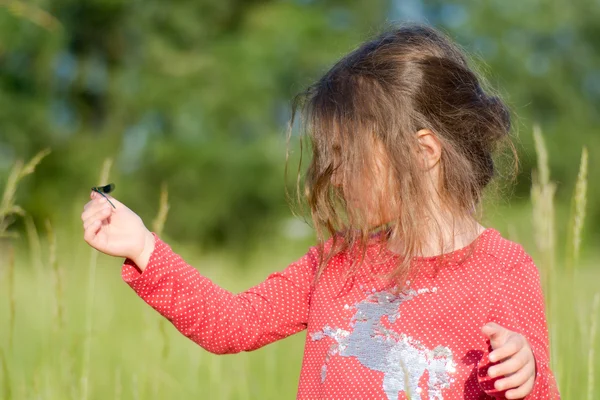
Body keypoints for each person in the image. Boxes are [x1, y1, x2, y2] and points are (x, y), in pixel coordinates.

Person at [81, 24, 560, 399]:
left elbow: (538, 386)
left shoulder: (503, 272)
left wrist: (528, 372)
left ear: (423, 152)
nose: (335, 177)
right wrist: (143, 246)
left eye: (348, 157)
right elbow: (233, 323)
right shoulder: (336, 263)